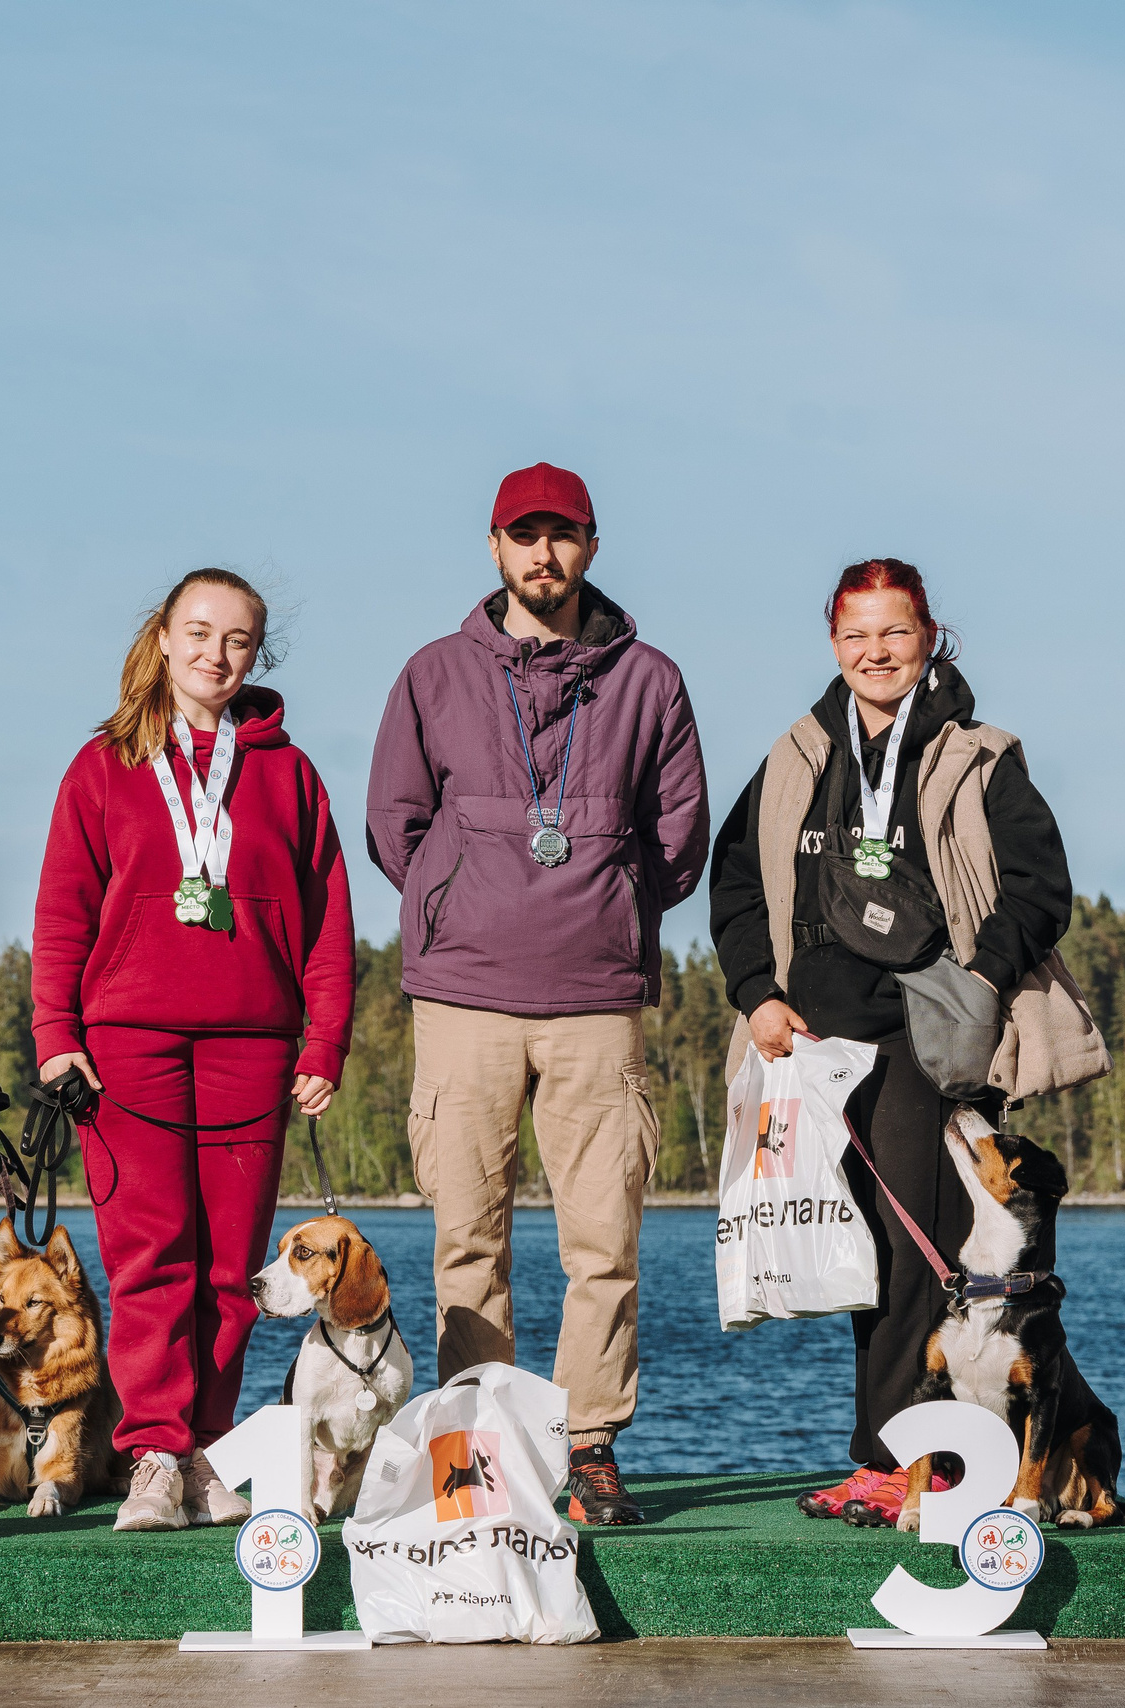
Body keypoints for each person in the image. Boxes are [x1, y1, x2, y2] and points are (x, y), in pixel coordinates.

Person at [709, 559, 1104, 1527]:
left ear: (928, 635)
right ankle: (928, 1454)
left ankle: (904, 1462)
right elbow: (733, 885)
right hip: (811, 1044)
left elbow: (1039, 886)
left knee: (914, 1254)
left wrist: (979, 978)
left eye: (893, 633)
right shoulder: (796, 754)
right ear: (832, 644)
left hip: (929, 1046)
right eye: (856, 636)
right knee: (848, 1257)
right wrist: (757, 994)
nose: (875, 653)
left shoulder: (979, 753)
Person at [365, 462, 708, 1527]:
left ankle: (592, 1441)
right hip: (463, 994)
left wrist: (602, 901)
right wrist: (458, 897)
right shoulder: (431, 673)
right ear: (494, 546)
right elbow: (394, 821)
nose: (542, 555)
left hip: (596, 998)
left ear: (592, 546)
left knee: (601, 1239)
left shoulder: (648, 677)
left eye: (562, 536)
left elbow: (679, 836)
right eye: (524, 536)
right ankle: (478, 1436)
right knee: (468, 1233)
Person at [30, 568, 354, 1531]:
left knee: (231, 1271)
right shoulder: (101, 766)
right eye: (200, 634)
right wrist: (57, 1035)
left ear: (258, 654)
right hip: (128, 1044)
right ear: (163, 639)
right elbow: (61, 911)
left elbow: (329, 919)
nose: (217, 656)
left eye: (239, 640)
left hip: (254, 1044)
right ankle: (155, 1456)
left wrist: (325, 1039)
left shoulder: (289, 773)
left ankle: (207, 1450)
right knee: (148, 1259)